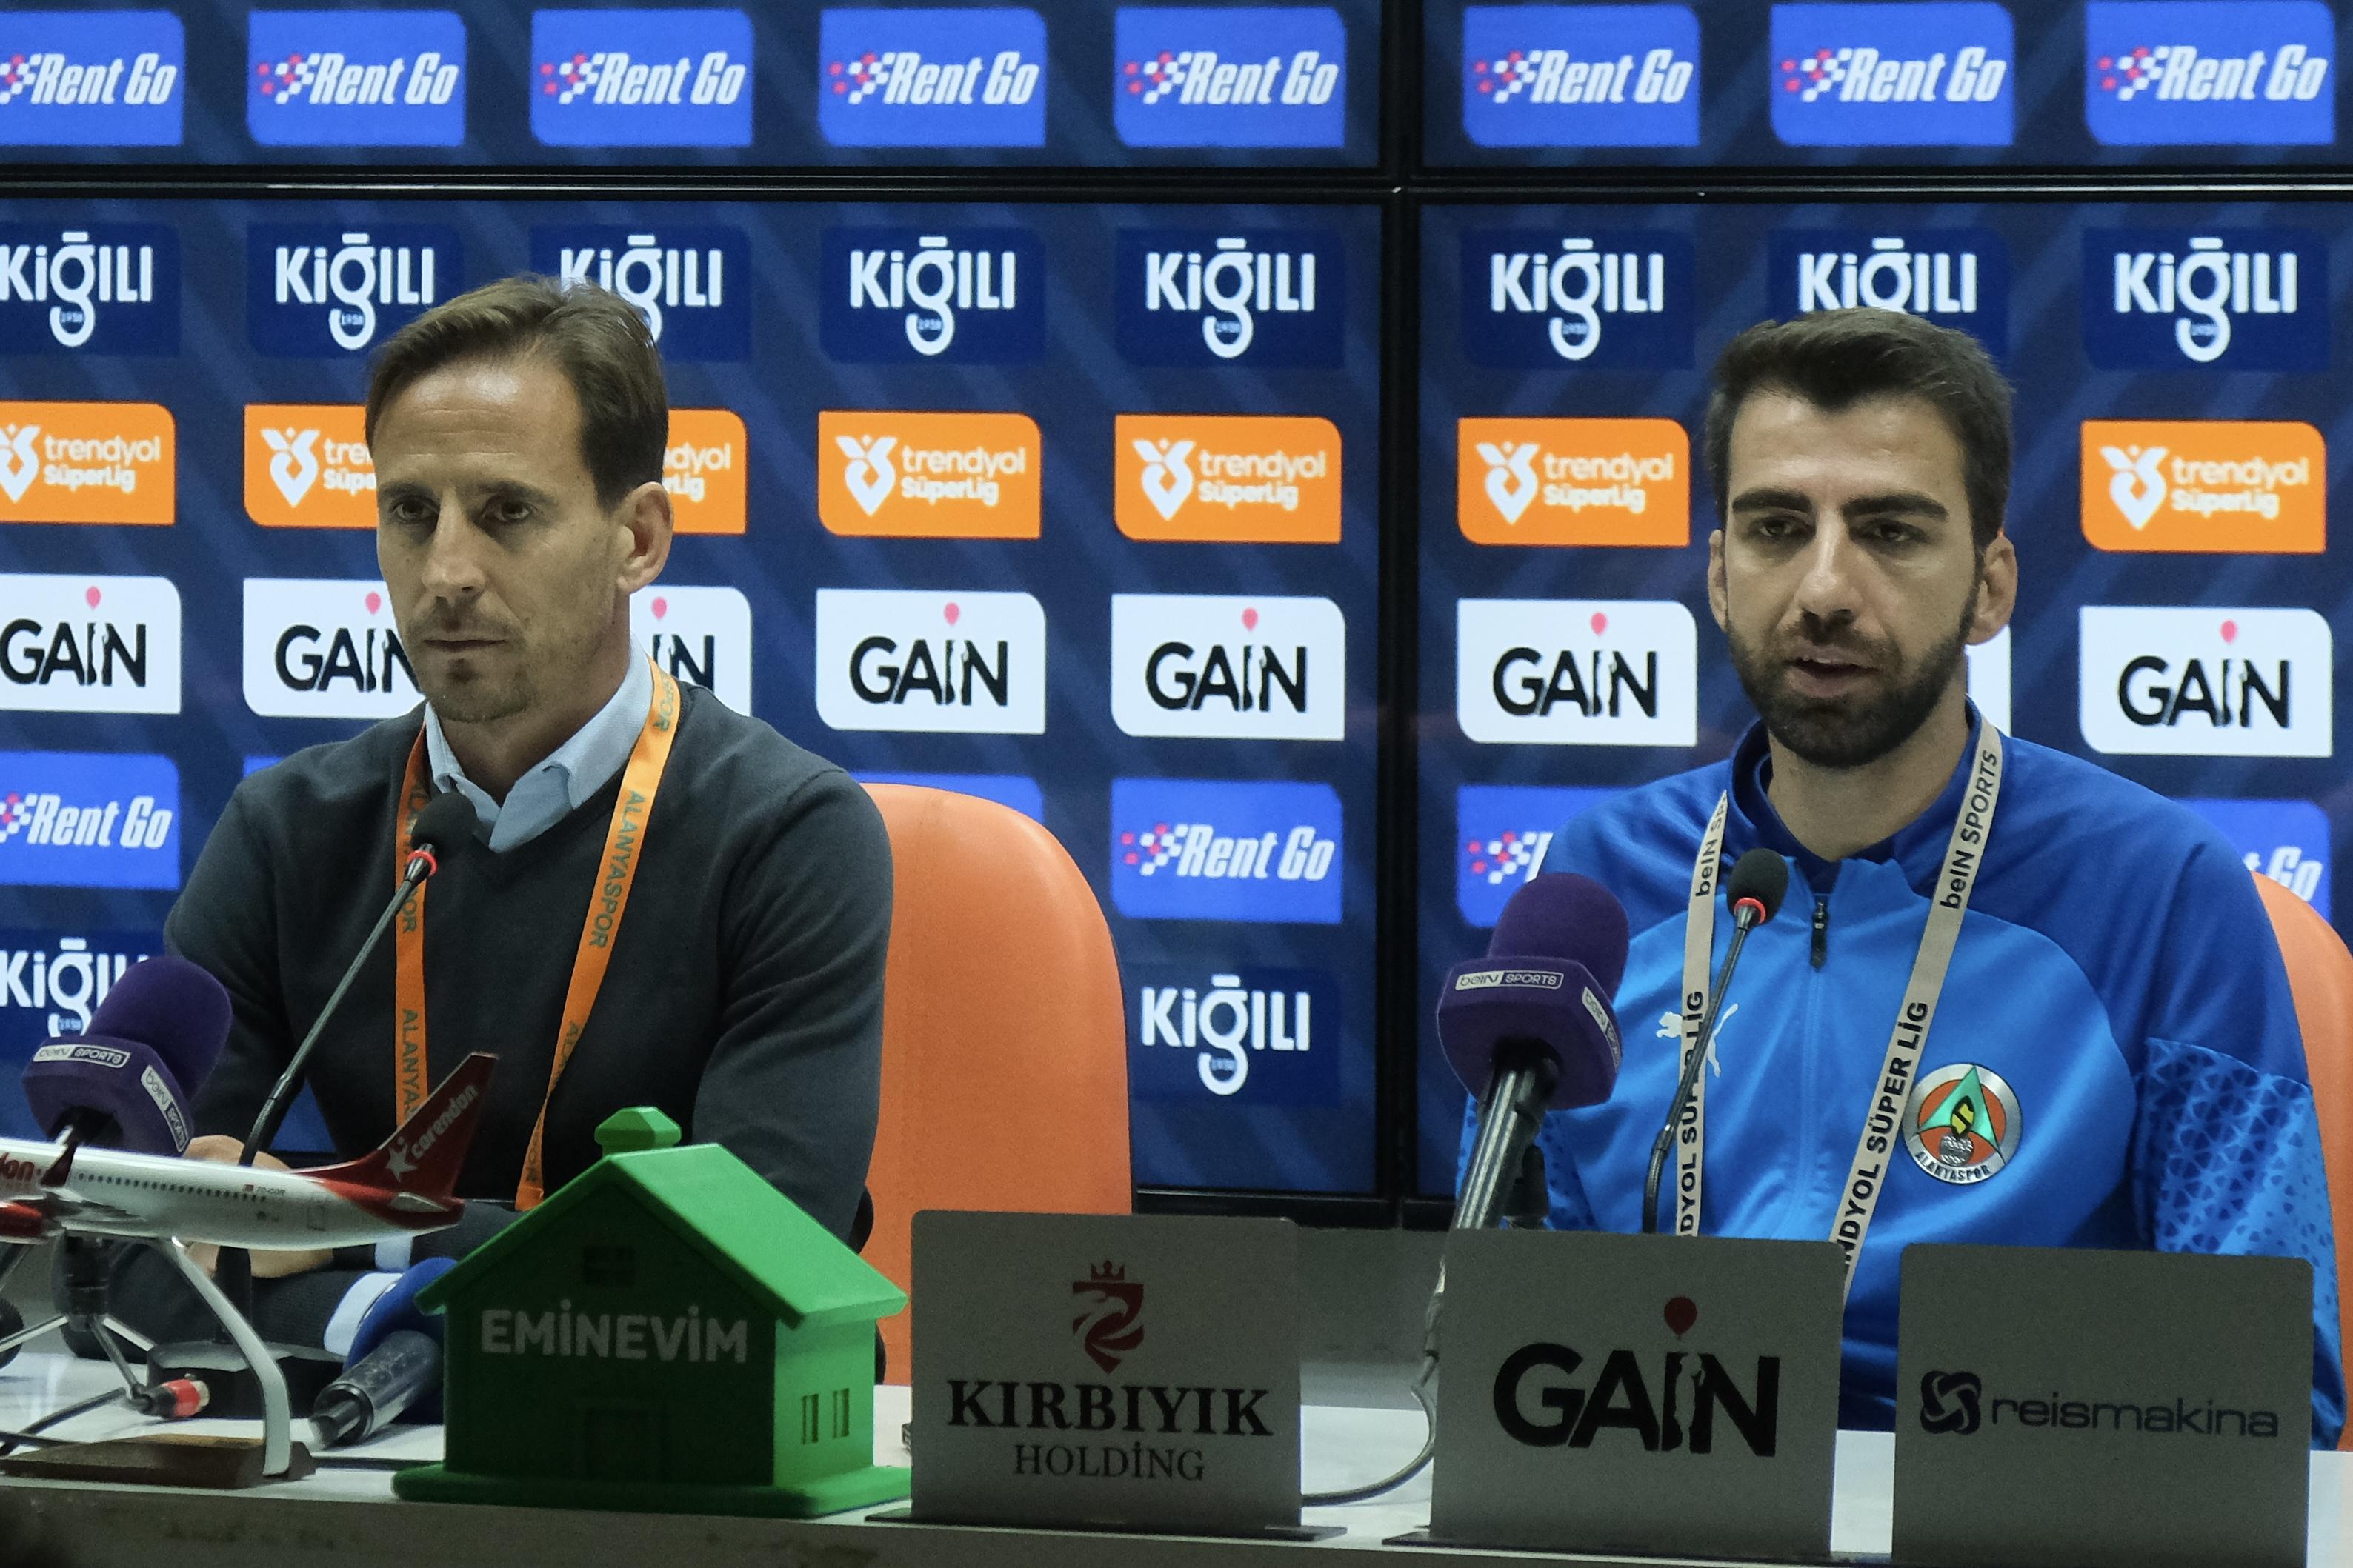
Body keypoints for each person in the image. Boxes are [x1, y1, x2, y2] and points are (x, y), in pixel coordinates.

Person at [1472, 307, 2345, 1443]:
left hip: (2008, 1500)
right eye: (1778, 527)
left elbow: (2269, 1388)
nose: (1825, 588)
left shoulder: (2164, 895)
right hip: (1668, 1476)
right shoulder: (1594, 885)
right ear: (1721, 576)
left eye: (1889, 531)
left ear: (1990, 585)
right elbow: (1506, 1321)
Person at [102, 276, 893, 1352]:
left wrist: (334, 1227)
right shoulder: (286, 831)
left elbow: (748, 1273)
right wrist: (388, 1317)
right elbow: (128, 1258)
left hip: (670, 1444)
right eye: (410, 512)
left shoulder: (788, 836)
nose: (446, 572)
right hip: (360, 1437)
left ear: (639, 539)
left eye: (506, 512)